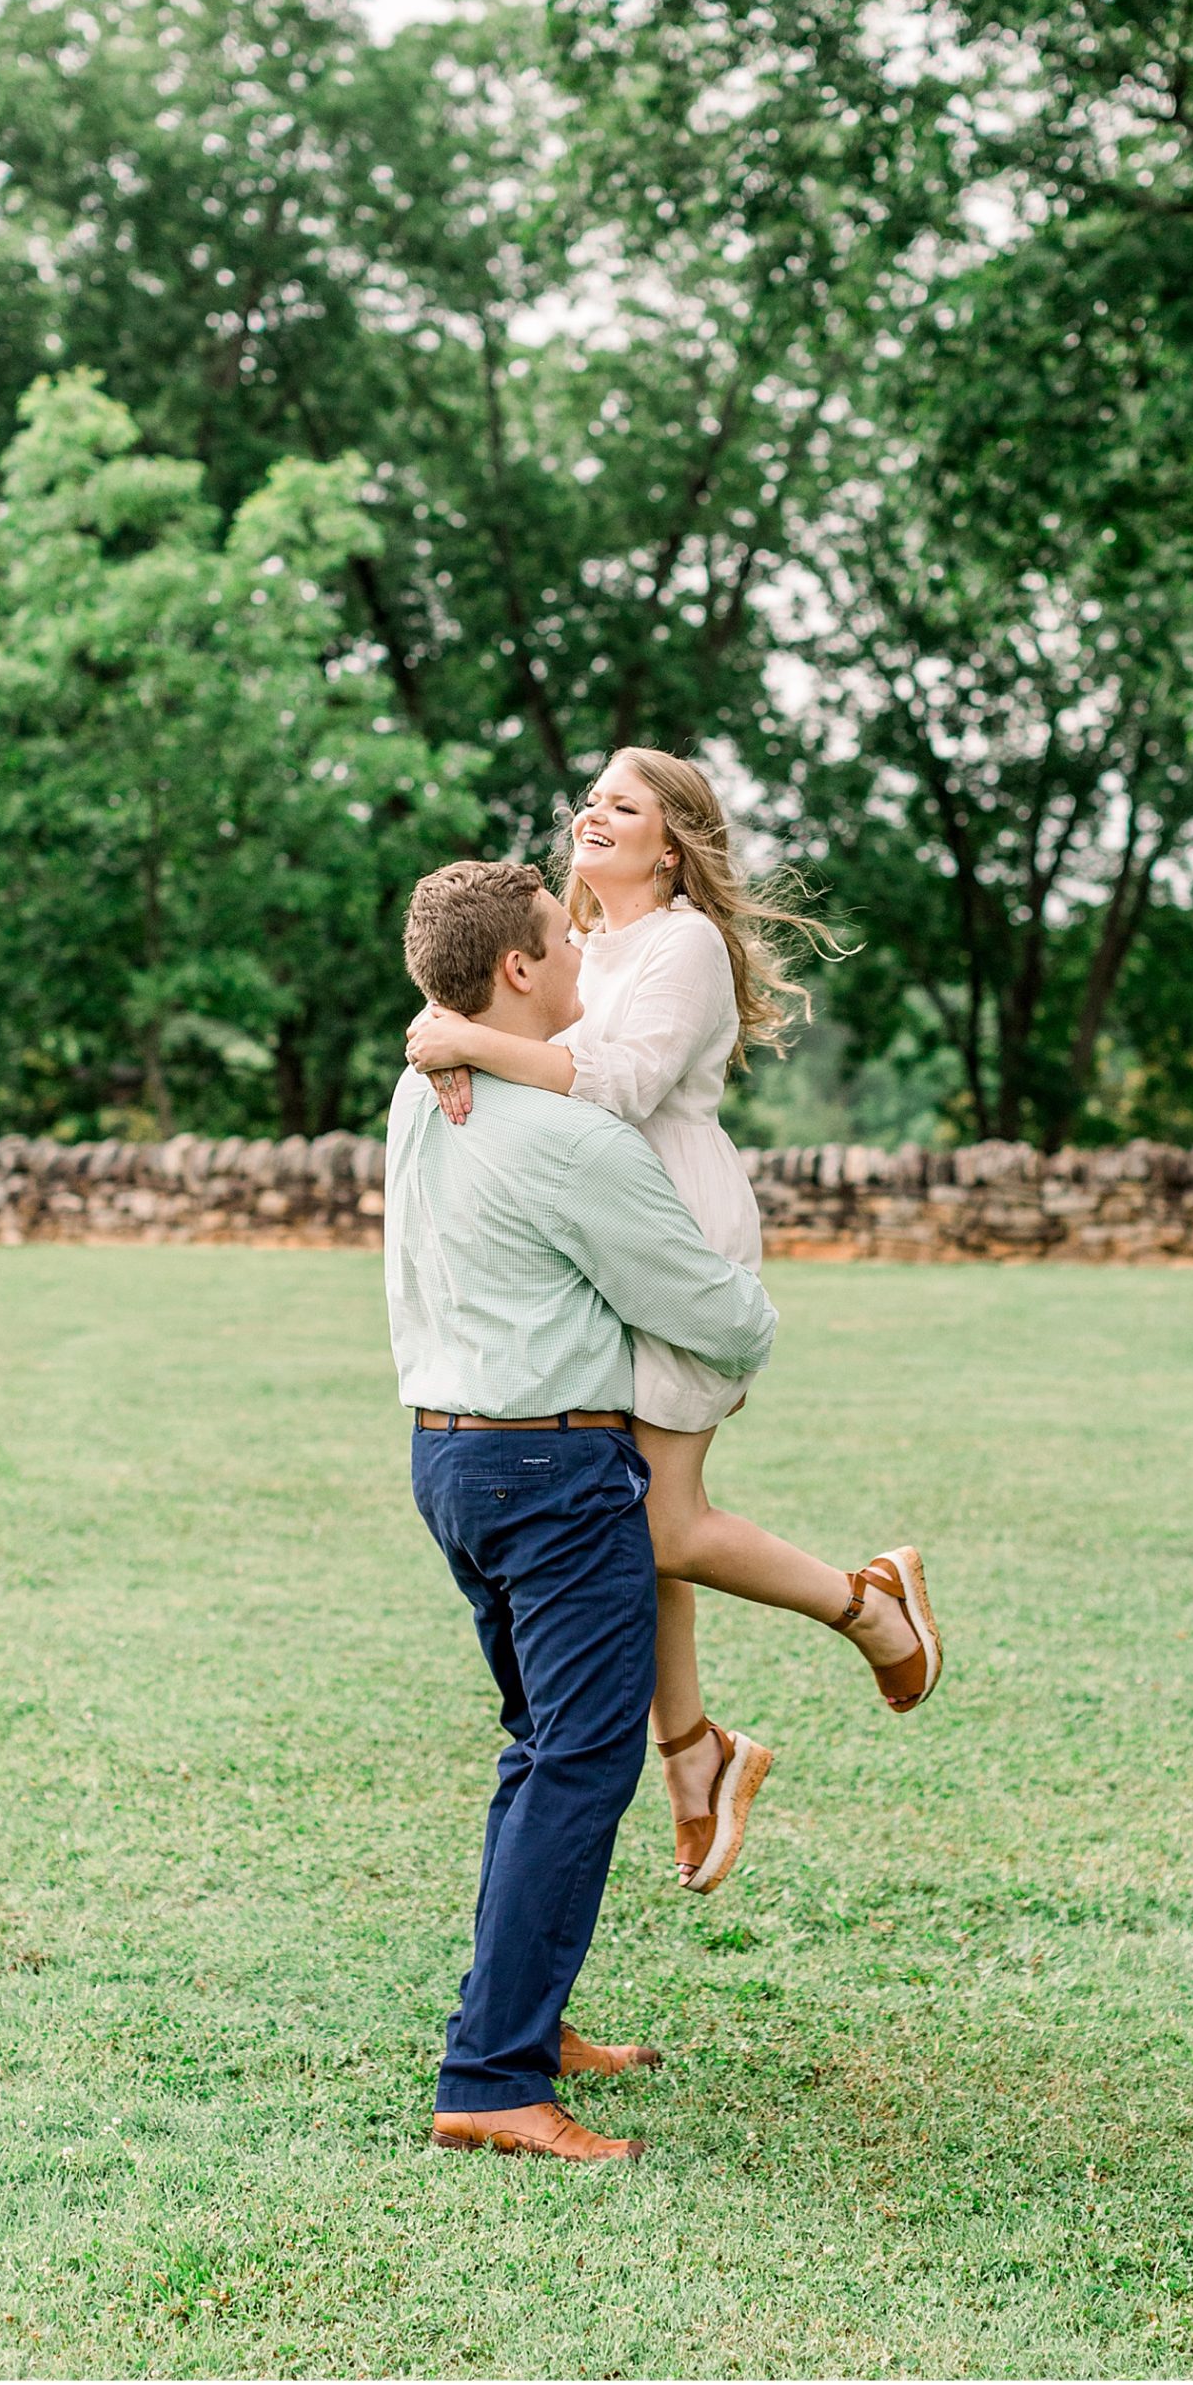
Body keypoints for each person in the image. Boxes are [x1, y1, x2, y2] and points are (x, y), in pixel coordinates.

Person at [404, 747, 942, 1895]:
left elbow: (619, 1082)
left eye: (625, 806)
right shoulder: (580, 944)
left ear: (673, 841)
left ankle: (868, 1608)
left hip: (675, 1228)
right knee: (634, 1506)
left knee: (655, 1525)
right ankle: (693, 1752)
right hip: (593, 1229)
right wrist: (437, 1028)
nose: (595, 816)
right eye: (591, 799)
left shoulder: (684, 944)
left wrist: (469, 1042)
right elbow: (499, 997)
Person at [386, 857, 779, 2163]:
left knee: (539, 1749)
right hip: (551, 1477)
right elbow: (716, 1311)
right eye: (562, 940)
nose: (582, 959)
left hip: (449, 1460)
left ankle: (523, 2025)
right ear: (515, 970)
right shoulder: (570, 1137)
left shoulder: (422, 1096)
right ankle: (492, 2075)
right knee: (583, 1762)